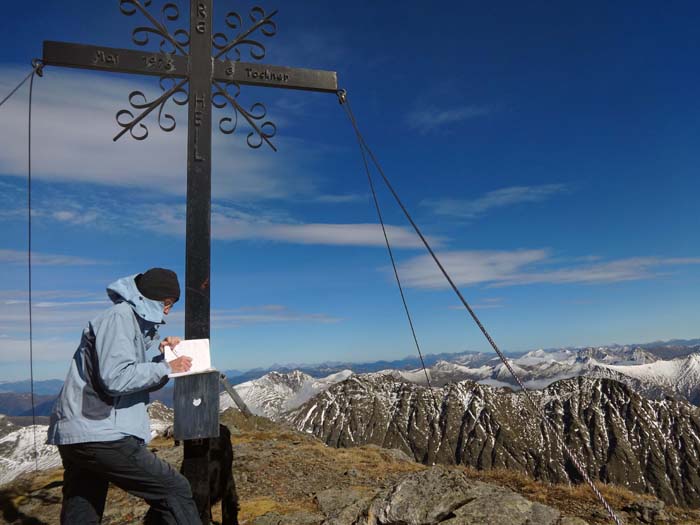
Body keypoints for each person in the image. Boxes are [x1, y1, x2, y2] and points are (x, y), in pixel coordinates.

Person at [47, 268, 201, 524]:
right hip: (100, 430)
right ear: (159, 300)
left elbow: (125, 375)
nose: (167, 311)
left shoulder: (125, 319)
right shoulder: (119, 318)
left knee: (83, 506)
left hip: (81, 431)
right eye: (169, 304)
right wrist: (166, 367)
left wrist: (162, 358)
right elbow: (116, 378)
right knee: (175, 490)